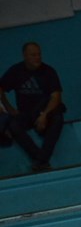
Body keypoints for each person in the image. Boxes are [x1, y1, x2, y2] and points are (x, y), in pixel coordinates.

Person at [0, 41, 66, 172]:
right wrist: (9, 108)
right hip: (26, 113)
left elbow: (56, 97)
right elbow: (1, 89)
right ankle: (41, 159)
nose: (37, 58)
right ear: (25, 56)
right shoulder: (16, 71)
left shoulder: (48, 71)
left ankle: (41, 161)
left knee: (58, 119)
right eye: (33, 55)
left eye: (39, 54)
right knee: (13, 125)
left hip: (46, 112)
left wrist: (44, 115)